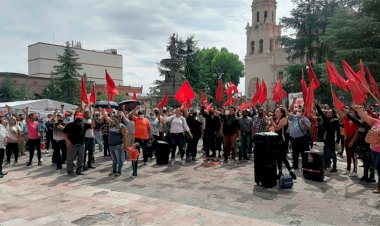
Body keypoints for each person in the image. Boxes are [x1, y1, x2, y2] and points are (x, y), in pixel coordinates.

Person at [354, 106, 380, 193]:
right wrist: (359, 109)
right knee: (377, 167)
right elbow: (365, 117)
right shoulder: (376, 122)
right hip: (373, 149)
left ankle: (379, 186)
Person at [270, 107, 296, 180]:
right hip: (277, 141)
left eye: (277, 111)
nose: (275, 113)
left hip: (283, 141)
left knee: (283, 158)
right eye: (275, 111)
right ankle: (280, 172)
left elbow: (277, 128)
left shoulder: (284, 119)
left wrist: (272, 121)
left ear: (281, 113)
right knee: (278, 158)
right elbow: (274, 129)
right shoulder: (278, 119)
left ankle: (291, 172)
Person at [101, 109, 128, 177]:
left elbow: (125, 136)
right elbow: (106, 117)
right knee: (114, 160)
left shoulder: (122, 126)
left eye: (116, 118)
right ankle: (114, 170)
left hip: (118, 145)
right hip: (111, 145)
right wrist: (102, 111)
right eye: (113, 118)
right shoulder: (111, 123)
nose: (114, 119)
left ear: (119, 119)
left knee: (119, 159)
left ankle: (119, 171)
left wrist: (125, 145)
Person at [316, 102, 340, 172]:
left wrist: (337, 140)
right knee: (326, 152)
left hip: (331, 139)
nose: (328, 114)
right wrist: (316, 105)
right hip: (325, 139)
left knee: (332, 153)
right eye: (328, 113)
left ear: (333, 114)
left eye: (330, 113)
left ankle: (334, 166)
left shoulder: (335, 121)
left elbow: (338, 131)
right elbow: (321, 113)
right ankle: (327, 164)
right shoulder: (326, 118)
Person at [287, 104, 311, 170]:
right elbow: (288, 113)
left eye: (299, 111)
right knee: (295, 152)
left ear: (303, 112)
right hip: (294, 138)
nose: (298, 112)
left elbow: (308, 128)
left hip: (302, 138)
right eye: (297, 111)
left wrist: (303, 124)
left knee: (304, 153)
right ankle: (295, 165)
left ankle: (304, 166)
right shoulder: (294, 117)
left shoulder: (305, 119)